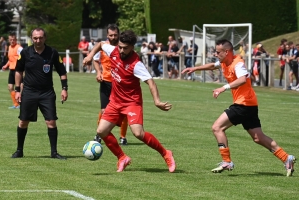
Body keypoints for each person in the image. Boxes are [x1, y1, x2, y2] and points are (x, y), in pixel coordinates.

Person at [182, 39, 296, 176]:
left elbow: (242, 79)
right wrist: (195, 68)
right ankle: (286, 158)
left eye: (218, 52)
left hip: (243, 104)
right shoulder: (225, 62)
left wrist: (223, 88)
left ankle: (226, 161)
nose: (215, 54)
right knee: (258, 138)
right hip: (250, 104)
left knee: (217, 127)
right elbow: (213, 65)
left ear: (226, 52)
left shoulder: (238, 64)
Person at [83, 30, 176, 173]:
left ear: (132, 47)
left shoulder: (136, 64)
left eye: (125, 48)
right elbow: (101, 44)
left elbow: (150, 82)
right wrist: (90, 55)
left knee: (138, 133)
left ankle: (166, 153)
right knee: (101, 131)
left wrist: (157, 101)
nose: (121, 50)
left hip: (131, 102)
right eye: (120, 46)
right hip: (115, 101)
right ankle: (122, 157)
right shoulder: (113, 50)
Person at [11, 27, 68, 160]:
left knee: (51, 122)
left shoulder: (52, 52)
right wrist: (17, 90)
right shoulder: (25, 53)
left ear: (45, 38)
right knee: (23, 122)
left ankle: (54, 152)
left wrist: (64, 88)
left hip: (47, 93)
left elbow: (62, 72)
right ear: (32, 38)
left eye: (40, 37)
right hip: (29, 92)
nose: (38, 40)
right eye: (35, 38)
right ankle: (19, 150)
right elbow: (18, 71)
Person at [92, 24, 128, 145]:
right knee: (104, 111)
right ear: (107, 35)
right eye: (111, 35)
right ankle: (99, 134)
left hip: (120, 84)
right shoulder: (103, 46)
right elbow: (96, 60)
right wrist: (98, 72)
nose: (113, 37)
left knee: (124, 111)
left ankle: (122, 136)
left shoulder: (123, 47)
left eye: (115, 35)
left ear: (119, 35)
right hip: (106, 82)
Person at [2, 32, 23, 109]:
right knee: (10, 87)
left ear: (16, 39)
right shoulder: (9, 47)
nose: (12, 41)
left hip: (18, 70)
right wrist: (6, 65)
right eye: (11, 40)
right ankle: (16, 104)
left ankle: (21, 104)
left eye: (13, 40)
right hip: (11, 70)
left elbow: (24, 57)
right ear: (8, 40)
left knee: (20, 87)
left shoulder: (19, 48)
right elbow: (10, 59)